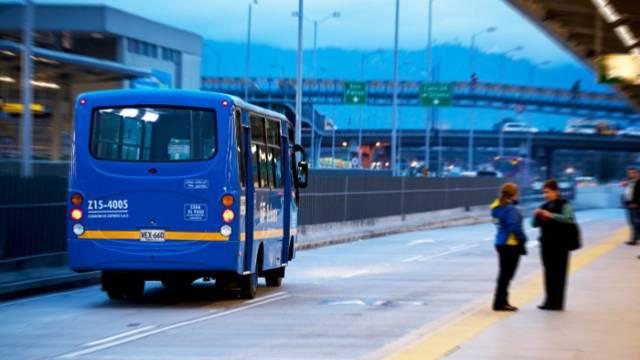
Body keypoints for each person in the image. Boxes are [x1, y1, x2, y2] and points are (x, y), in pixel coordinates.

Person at [533, 179, 574, 311]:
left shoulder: (564, 204)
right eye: (544, 192)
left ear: (556, 191)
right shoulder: (544, 205)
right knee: (548, 272)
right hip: (546, 244)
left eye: (548, 192)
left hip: (561, 244)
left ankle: (558, 302)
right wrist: (536, 216)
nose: (546, 195)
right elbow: (533, 224)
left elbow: (568, 218)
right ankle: (548, 300)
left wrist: (551, 215)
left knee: (560, 273)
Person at [491, 183, 527, 311]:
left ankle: (500, 301)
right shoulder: (511, 209)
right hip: (510, 245)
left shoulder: (497, 207)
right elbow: (514, 227)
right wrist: (523, 240)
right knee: (507, 275)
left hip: (500, 243)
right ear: (514, 194)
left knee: (503, 274)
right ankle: (500, 303)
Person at [622, 167, 640, 245]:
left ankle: (634, 239)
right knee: (632, 222)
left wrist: (636, 203)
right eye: (629, 173)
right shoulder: (630, 181)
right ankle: (634, 238)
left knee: (636, 222)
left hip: (635, 205)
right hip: (629, 204)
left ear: (637, 173)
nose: (631, 174)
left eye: (633, 173)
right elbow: (629, 192)